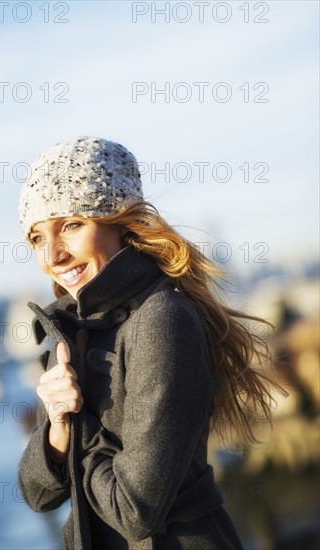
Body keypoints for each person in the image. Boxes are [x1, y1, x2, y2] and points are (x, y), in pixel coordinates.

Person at [17, 136, 282, 550]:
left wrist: (79, 421)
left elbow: (134, 509)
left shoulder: (163, 320)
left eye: (71, 224)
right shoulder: (69, 330)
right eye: (36, 237)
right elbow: (38, 495)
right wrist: (57, 427)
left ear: (121, 222)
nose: (52, 255)